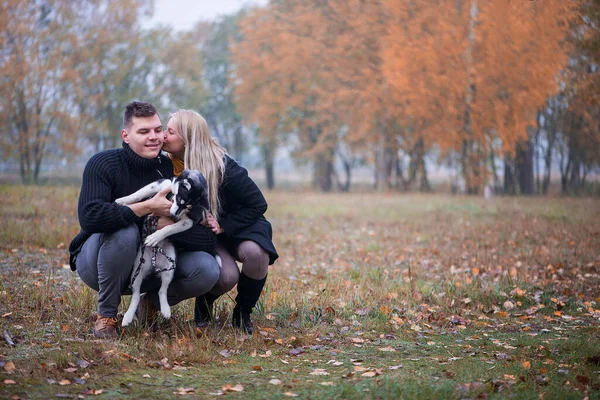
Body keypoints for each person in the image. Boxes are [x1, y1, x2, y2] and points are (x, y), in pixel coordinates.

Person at [68, 101, 221, 339]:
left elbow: (205, 240)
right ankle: (106, 316)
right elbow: (90, 217)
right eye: (143, 132)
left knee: (208, 268)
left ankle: (149, 303)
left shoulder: (175, 171)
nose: (154, 137)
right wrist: (147, 209)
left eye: (158, 130)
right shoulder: (103, 163)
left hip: (151, 262)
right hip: (97, 262)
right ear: (126, 136)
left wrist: (170, 225)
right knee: (124, 232)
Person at [162, 109, 278, 334]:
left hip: (237, 227)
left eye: (170, 132)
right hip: (204, 234)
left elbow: (258, 204)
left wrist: (223, 224)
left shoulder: (223, 166)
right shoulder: (165, 164)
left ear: (189, 138)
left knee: (256, 254)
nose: (163, 136)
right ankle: (204, 305)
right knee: (226, 277)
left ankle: (243, 312)